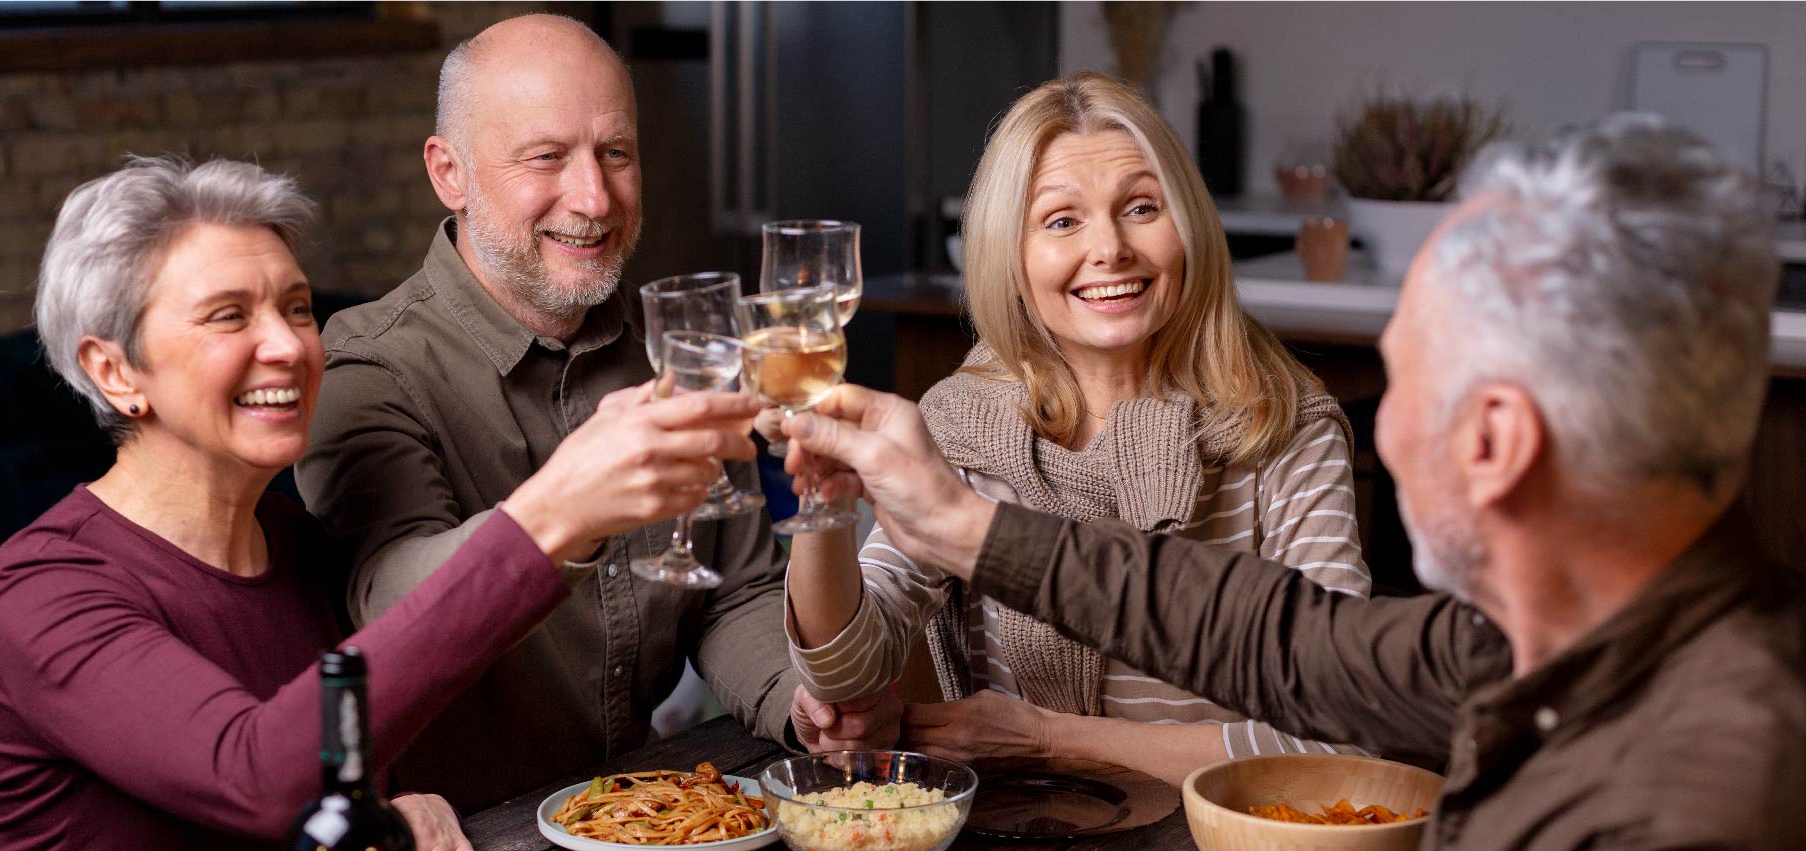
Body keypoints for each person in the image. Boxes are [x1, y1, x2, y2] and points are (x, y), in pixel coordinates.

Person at [781, 115, 1806, 848]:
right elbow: (1272, 633)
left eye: (1404, 380)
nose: (1380, 430)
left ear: (1494, 441)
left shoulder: (1696, 796)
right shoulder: (1512, 645)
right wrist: (958, 524)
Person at [0, 156, 760, 851]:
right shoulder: (45, 589)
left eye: (297, 307)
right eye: (229, 315)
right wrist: (553, 512)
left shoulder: (294, 541)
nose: (287, 343)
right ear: (114, 372)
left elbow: (345, 759)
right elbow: (256, 773)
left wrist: (381, 803)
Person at [293, 14, 893, 810]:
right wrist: (570, 505)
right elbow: (385, 606)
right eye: (546, 157)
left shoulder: (669, 352)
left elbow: (733, 590)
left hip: (637, 809)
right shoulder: (367, 367)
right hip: (464, 828)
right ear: (450, 172)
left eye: (616, 154)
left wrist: (800, 700)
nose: (594, 197)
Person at [782, 72, 1369, 783]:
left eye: (1142, 207)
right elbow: (849, 667)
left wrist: (1048, 739)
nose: (1112, 248)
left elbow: (1341, 739)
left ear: (1189, 224)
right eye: (1063, 220)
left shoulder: (1284, 426)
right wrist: (823, 507)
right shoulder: (964, 421)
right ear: (1013, 255)